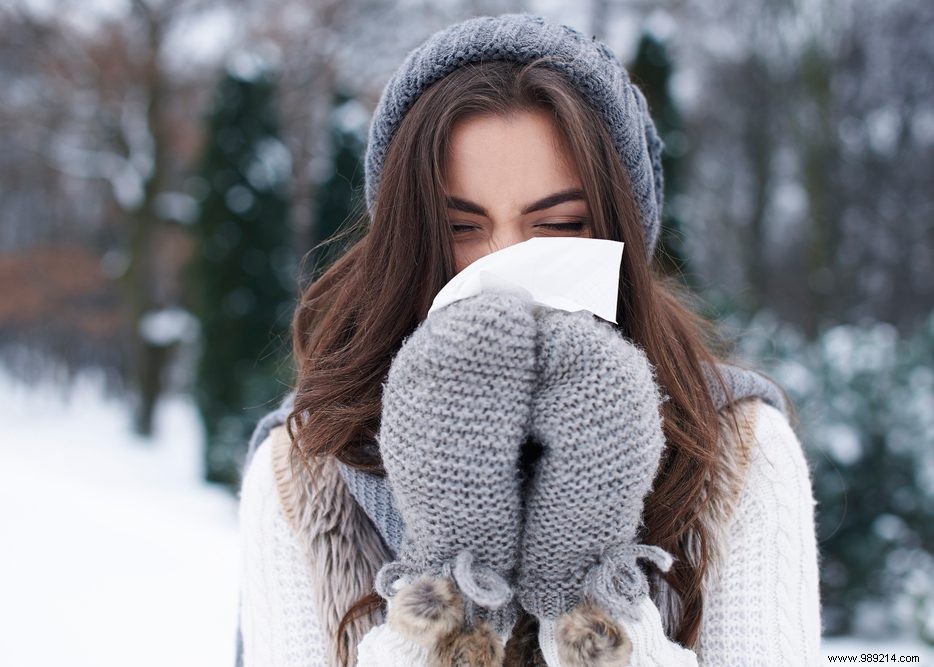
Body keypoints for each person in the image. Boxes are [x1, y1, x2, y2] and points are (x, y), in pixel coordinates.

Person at [234, 13, 822, 667]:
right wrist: (449, 582)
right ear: (407, 241)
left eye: (561, 223)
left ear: (619, 229)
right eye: (460, 228)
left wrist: (590, 595)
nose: (505, 265)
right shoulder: (303, 467)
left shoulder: (737, 448)